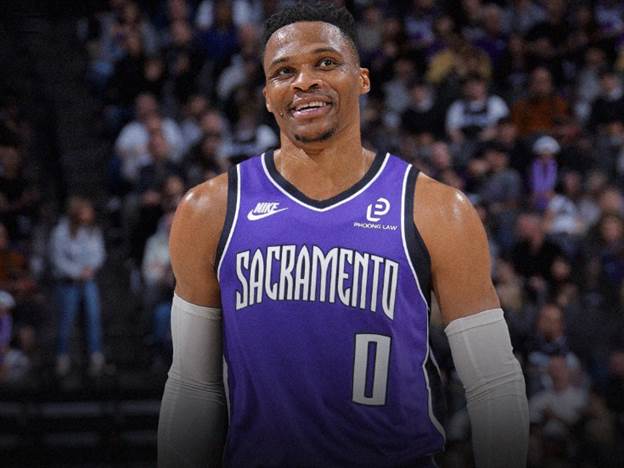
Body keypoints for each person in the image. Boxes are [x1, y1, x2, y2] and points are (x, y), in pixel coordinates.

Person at [158, 3, 529, 467]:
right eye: (284, 71)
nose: (304, 82)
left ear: (362, 79)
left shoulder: (436, 210)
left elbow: (492, 381)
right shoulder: (209, 210)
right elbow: (193, 385)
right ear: (268, 95)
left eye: (326, 63)